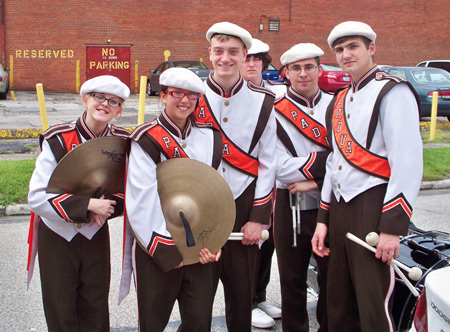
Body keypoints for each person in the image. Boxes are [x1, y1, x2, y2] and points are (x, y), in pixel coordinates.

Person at [311, 21, 423, 331]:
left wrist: (392, 227)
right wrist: (323, 218)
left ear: (371, 48)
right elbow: (334, 163)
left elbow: (408, 162)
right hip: (341, 208)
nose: (346, 54)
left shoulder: (393, 90)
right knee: (337, 297)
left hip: (375, 205)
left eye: (353, 47)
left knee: (373, 299)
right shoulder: (339, 100)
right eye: (340, 49)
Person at [27, 75, 130, 331]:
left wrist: (107, 208)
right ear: (85, 99)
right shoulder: (57, 139)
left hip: (95, 233)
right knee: (61, 308)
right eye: (99, 97)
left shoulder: (122, 141)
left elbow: (128, 188)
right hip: (57, 234)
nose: (105, 104)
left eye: (114, 102)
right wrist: (88, 205)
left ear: (119, 111)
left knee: (95, 306)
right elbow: (36, 197)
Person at [124, 67, 223, 332]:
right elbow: (141, 200)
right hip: (157, 248)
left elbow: (214, 195)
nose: (184, 100)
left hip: (199, 248)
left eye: (191, 95)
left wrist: (215, 240)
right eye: (177, 93)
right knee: (153, 322)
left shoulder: (210, 138)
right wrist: (167, 250)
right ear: (163, 96)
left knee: (199, 322)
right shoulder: (145, 139)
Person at [194, 22, 277, 332]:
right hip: (201, 204)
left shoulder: (264, 100)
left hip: (244, 205)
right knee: (197, 297)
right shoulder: (192, 96)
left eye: (233, 52)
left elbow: (268, 164)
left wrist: (258, 217)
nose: (225, 58)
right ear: (209, 54)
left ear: (245, 56)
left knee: (241, 299)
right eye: (219, 51)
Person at [274, 43, 332, 332]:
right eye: (296, 68)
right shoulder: (274, 110)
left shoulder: (338, 105)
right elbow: (279, 168)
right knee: (292, 279)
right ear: (286, 73)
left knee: (331, 278)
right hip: (289, 204)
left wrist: (315, 180)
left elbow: (351, 159)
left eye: (310, 66)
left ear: (320, 69)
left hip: (330, 203)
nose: (303, 73)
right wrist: (329, 163)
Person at [240, 37, 282, 329]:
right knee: (248, 245)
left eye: (258, 59)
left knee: (269, 244)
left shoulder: (277, 96)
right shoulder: (232, 96)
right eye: (248, 58)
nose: (252, 64)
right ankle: (247, 304)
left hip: (276, 181)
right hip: (245, 181)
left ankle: (260, 294)